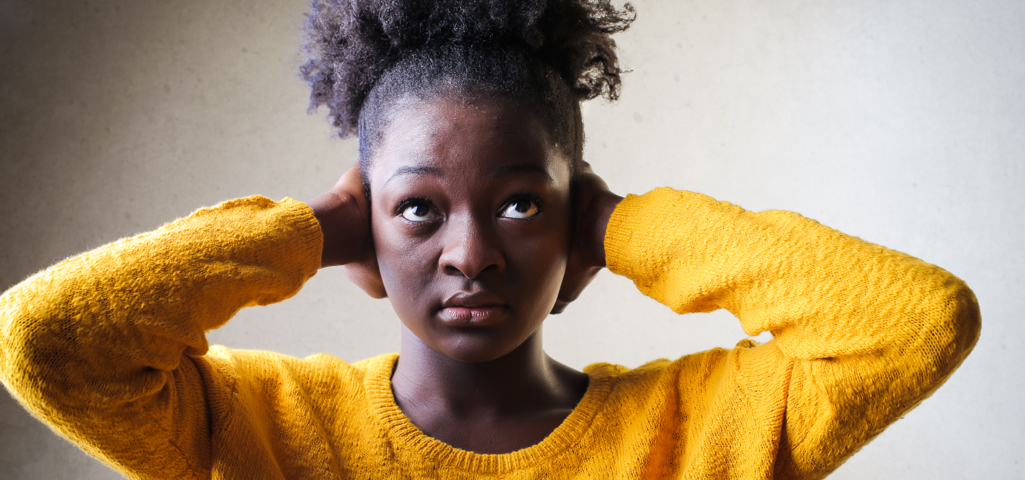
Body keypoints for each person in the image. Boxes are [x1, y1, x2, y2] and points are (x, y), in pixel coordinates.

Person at [0, 0, 980, 478]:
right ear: (365, 227)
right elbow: (42, 342)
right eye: (418, 209)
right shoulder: (250, 427)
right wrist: (304, 233)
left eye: (519, 204)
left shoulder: (696, 436)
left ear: (573, 222)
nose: (468, 254)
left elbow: (918, 324)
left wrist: (620, 226)